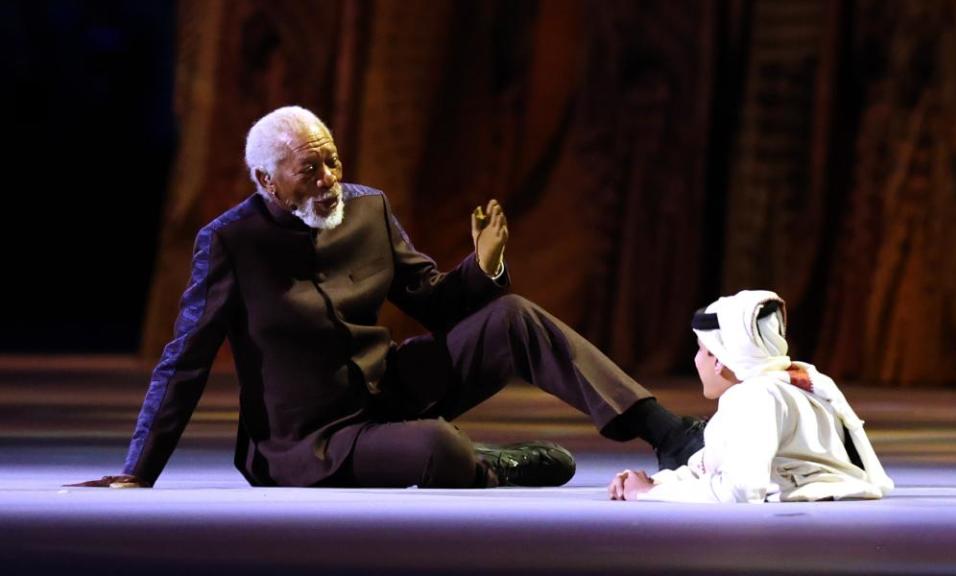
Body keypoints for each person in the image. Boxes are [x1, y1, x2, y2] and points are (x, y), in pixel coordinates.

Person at [69, 105, 702, 490]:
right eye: (309, 170)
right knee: (436, 448)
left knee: (510, 317)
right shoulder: (230, 242)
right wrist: (139, 468)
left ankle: (666, 432)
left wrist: (483, 269)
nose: (329, 181)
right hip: (310, 440)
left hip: (389, 390)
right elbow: (184, 361)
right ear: (267, 180)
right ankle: (490, 465)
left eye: (333, 163)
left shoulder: (367, 209)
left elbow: (434, 301)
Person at [608, 289, 895, 503]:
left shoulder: (753, 398)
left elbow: (741, 490)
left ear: (720, 359)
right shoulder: (801, 380)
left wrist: (646, 495)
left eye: (701, 349)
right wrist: (655, 482)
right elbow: (715, 467)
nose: (696, 360)